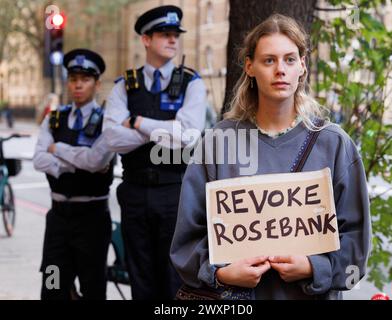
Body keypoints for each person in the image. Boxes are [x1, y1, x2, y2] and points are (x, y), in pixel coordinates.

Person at [170, 14, 372, 299]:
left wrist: (315, 267)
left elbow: (356, 250)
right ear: (250, 67)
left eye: (290, 59)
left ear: (302, 65)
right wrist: (220, 273)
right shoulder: (217, 142)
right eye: (269, 60)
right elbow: (186, 241)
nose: (281, 70)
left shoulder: (335, 144)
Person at [103, 5, 207, 300]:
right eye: (165, 34)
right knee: (140, 275)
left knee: (175, 276)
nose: (173, 40)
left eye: (176, 35)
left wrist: (136, 122)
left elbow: (187, 136)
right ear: (146, 40)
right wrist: (165, 129)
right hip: (134, 191)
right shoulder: (125, 86)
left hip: (175, 193)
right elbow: (111, 137)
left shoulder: (191, 82)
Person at [33, 48, 115, 300]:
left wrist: (58, 150)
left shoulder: (107, 121)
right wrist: (77, 161)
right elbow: (38, 159)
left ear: (96, 83)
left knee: (92, 289)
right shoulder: (54, 120)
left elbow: (97, 160)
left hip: (92, 219)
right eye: (73, 79)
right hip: (58, 219)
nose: (78, 85)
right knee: (53, 285)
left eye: (85, 79)